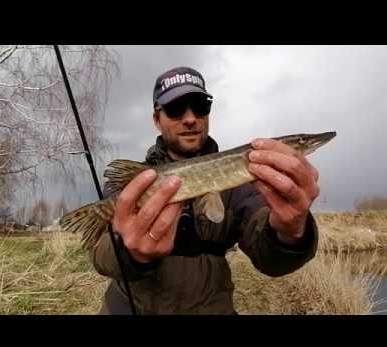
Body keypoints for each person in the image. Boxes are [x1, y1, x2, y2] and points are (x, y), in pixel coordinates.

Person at [90, 66, 320, 315]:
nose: (190, 118)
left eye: (200, 106)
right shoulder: (133, 183)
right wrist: (130, 254)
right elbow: (100, 256)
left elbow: (272, 259)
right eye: (176, 109)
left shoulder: (240, 186)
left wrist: (291, 231)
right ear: (157, 119)